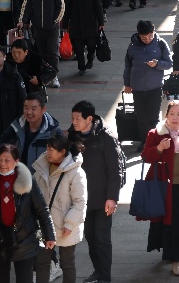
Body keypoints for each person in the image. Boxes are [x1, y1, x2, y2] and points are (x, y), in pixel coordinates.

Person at [141, 101, 179, 277]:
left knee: (177, 223)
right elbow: (145, 156)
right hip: (162, 187)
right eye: (172, 114)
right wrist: (159, 149)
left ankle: (174, 259)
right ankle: (172, 257)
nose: (176, 118)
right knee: (167, 222)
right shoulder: (155, 134)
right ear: (166, 115)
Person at [0, 144, 56, 283]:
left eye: (7, 160)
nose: (2, 163)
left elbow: (42, 209)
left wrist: (50, 235)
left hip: (25, 241)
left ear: (16, 162)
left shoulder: (28, 182)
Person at [68, 100, 121, 283]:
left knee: (102, 239)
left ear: (89, 119)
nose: (74, 121)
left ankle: (105, 277)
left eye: (77, 118)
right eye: (72, 117)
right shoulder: (72, 138)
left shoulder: (105, 137)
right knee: (90, 237)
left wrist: (112, 197)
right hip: (82, 199)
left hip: (102, 198)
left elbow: (116, 170)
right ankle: (98, 271)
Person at [32, 135, 87, 283]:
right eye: (47, 148)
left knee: (67, 264)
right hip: (45, 226)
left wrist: (69, 224)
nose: (47, 152)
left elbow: (80, 202)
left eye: (51, 149)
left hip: (66, 227)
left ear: (62, 151)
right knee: (42, 264)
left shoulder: (76, 172)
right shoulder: (41, 168)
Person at [123, 20, 173, 151]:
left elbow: (168, 63)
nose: (147, 39)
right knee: (141, 117)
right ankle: (144, 141)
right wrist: (127, 84)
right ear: (138, 35)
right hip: (138, 88)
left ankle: (153, 141)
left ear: (154, 32)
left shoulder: (161, 44)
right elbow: (128, 66)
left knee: (153, 117)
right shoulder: (132, 46)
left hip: (155, 88)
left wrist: (157, 64)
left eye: (150, 36)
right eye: (144, 37)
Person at [18, 0, 65, 88]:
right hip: (38, 27)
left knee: (52, 51)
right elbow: (26, 7)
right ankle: (44, 76)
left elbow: (61, 7)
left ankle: (54, 76)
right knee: (42, 52)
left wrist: (55, 21)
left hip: (52, 28)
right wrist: (22, 21)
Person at [0, 92, 63, 171]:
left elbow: (63, 157)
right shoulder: (17, 126)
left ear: (43, 110)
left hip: (42, 180)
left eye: (33, 109)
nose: (29, 112)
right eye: (26, 108)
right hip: (19, 177)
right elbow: (1, 142)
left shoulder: (53, 132)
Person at [62, 0, 104, 76]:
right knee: (78, 47)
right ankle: (81, 66)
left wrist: (101, 22)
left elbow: (98, 6)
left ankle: (90, 58)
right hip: (75, 24)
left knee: (91, 45)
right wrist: (65, 25)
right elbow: (67, 10)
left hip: (90, 23)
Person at [0, 45, 27, 136]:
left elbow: (22, 100)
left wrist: (18, 124)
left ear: (4, 57)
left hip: (9, 124)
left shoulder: (14, 76)